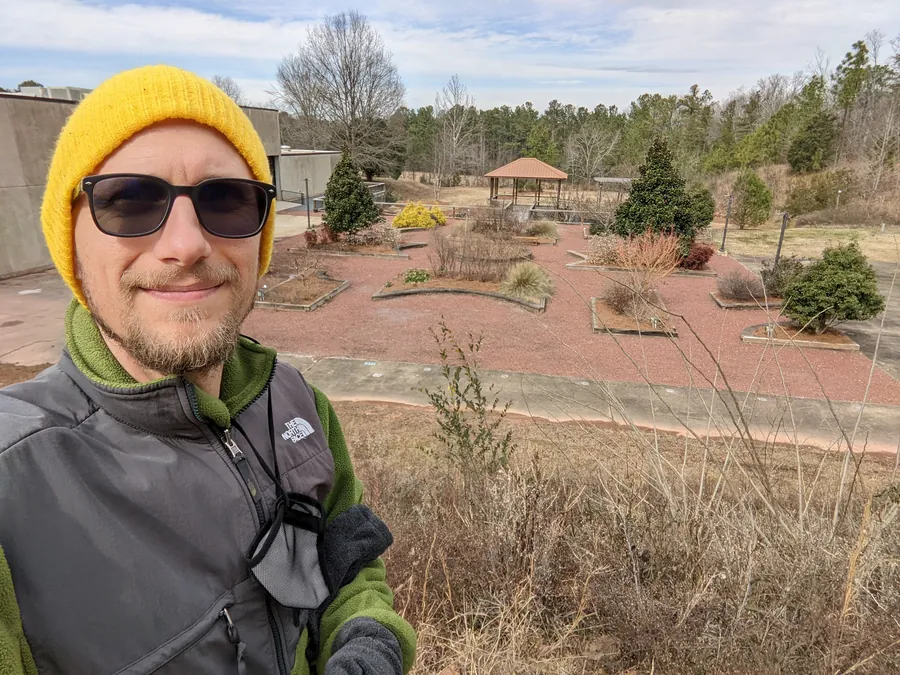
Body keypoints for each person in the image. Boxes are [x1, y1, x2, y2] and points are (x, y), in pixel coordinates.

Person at [0, 65, 415, 675]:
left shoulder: (296, 405)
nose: (187, 244)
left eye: (226, 198)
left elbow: (352, 569)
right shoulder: (15, 483)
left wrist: (368, 642)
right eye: (130, 200)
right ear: (70, 239)